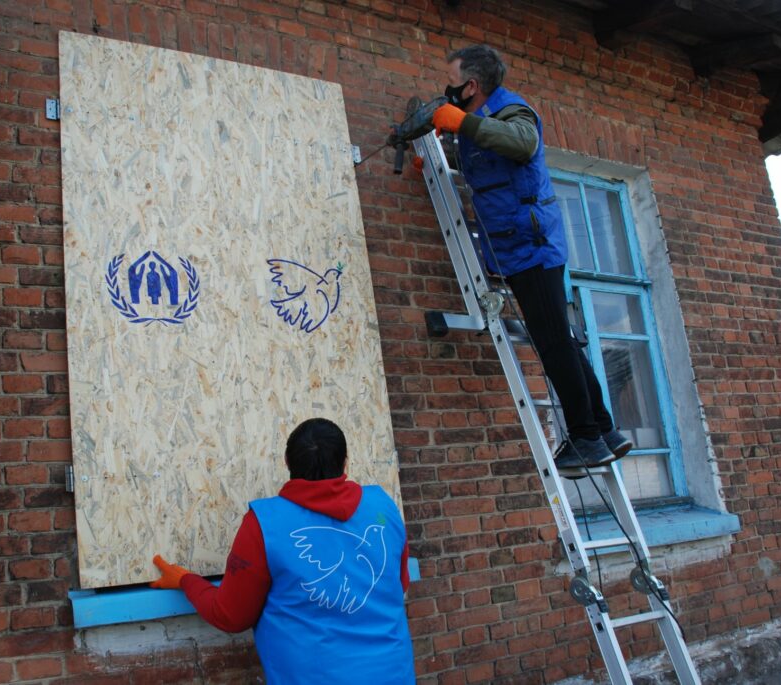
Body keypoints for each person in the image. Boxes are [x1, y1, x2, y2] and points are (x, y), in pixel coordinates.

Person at [430, 44, 633, 470]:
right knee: (560, 339)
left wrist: (461, 123)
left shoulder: (512, 112)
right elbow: (487, 162)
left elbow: (521, 144)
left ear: (471, 86)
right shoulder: (485, 119)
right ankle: (603, 428)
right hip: (519, 246)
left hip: (532, 248)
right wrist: (441, 154)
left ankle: (584, 437)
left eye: (451, 81)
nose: (445, 89)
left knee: (554, 342)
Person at [150, 418, 416, 684]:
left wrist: (186, 581)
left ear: (287, 461)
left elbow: (230, 616)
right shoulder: (382, 507)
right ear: (345, 461)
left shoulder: (265, 524)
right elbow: (398, 584)